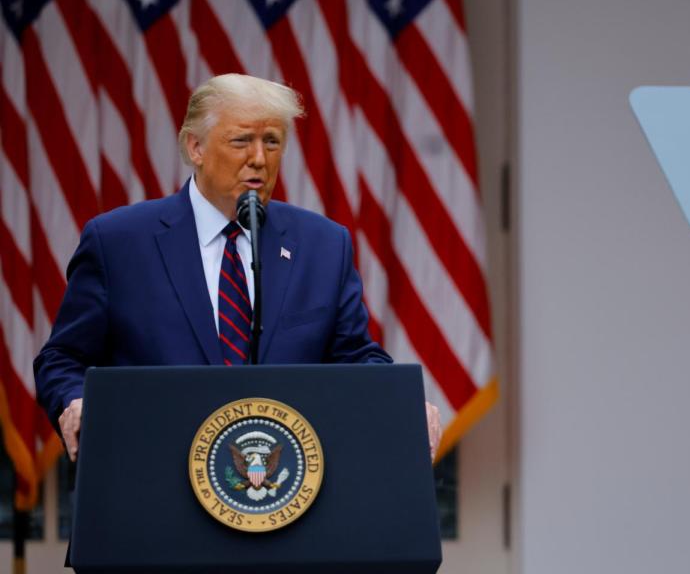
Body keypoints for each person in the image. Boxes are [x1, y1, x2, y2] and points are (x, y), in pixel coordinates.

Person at [34, 74, 441, 462]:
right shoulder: (118, 242)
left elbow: (355, 357)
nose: (259, 160)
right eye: (241, 141)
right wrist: (74, 401)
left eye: (272, 142)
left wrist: (399, 401)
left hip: (280, 496)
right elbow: (62, 357)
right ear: (195, 147)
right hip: (150, 483)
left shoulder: (323, 245)